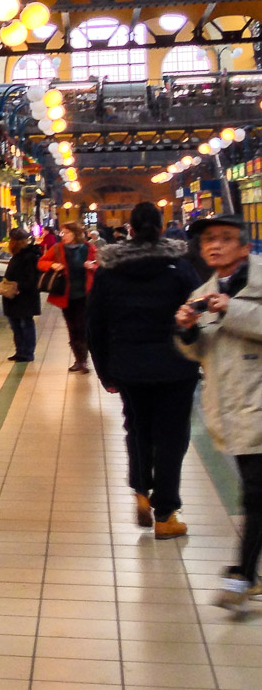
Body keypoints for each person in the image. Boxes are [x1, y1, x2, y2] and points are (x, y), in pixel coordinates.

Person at [87, 202, 200, 539]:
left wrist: (105, 371)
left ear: (130, 230)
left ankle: (141, 490)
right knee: (172, 436)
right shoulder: (180, 268)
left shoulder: (109, 270)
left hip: (128, 365)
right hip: (176, 366)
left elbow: (95, 325)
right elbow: (198, 313)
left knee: (137, 428)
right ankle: (165, 514)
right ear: (162, 229)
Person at [175, 213, 262, 607]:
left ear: (244, 246)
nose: (215, 245)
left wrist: (232, 310)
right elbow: (200, 352)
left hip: (256, 405)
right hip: (234, 407)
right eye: (209, 239)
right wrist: (186, 329)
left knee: (255, 493)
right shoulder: (202, 292)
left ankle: (243, 575)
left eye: (225, 238)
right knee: (255, 491)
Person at [39, 222, 96, 372]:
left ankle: (83, 360)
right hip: (66, 294)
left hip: (85, 293)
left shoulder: (88, 248)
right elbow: (41, 262)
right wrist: (52, 265)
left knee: (82, 326)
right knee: (72, 327)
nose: (63, 236)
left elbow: (101, 265)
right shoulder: (58, 248)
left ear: (75, 234)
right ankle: (79, 359)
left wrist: (92, 266)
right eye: (62, 233)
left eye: (66, 233)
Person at [0, 227, 42, 362]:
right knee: (15, 324)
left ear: (15, 242)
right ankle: (20, 351)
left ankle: (27, 352)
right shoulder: (20, 255)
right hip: (15, 297)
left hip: (24, 296)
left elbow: (32, 279)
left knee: (25, 323)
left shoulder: (28, 256)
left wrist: (18, 286)